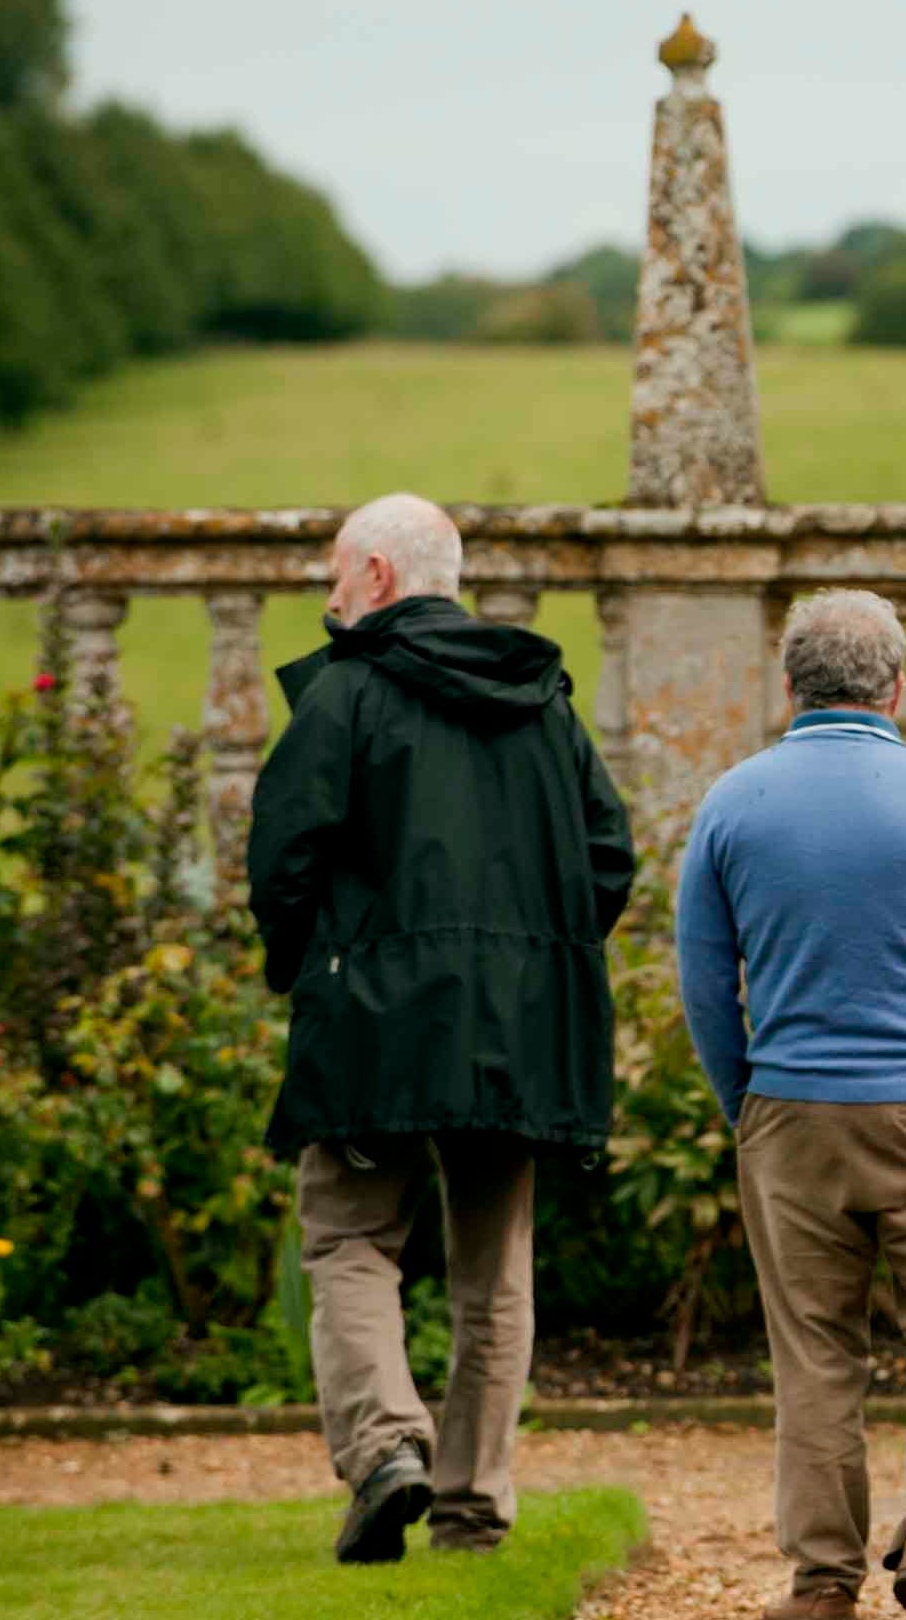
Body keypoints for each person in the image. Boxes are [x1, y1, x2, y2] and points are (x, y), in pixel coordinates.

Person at [247, 492, 635, 1565]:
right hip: (518, 1022)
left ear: (377, 576)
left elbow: (283, 855)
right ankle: (471, 1507)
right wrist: (533, 963)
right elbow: (610, 855)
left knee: (347, 1235)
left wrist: (306, 968)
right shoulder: (543, 699)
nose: (327, 599)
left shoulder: (348, 695)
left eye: (334, 576)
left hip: (374, 1017)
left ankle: (383, 1450)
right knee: (492, 1271)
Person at [675, 589, 906, 1620]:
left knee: (816, 1353)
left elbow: (704, 976)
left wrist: (743, 1096)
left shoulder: (733, 804)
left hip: (790, 1110)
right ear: (897, 684)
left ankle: (821, 1579)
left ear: (790, 685)